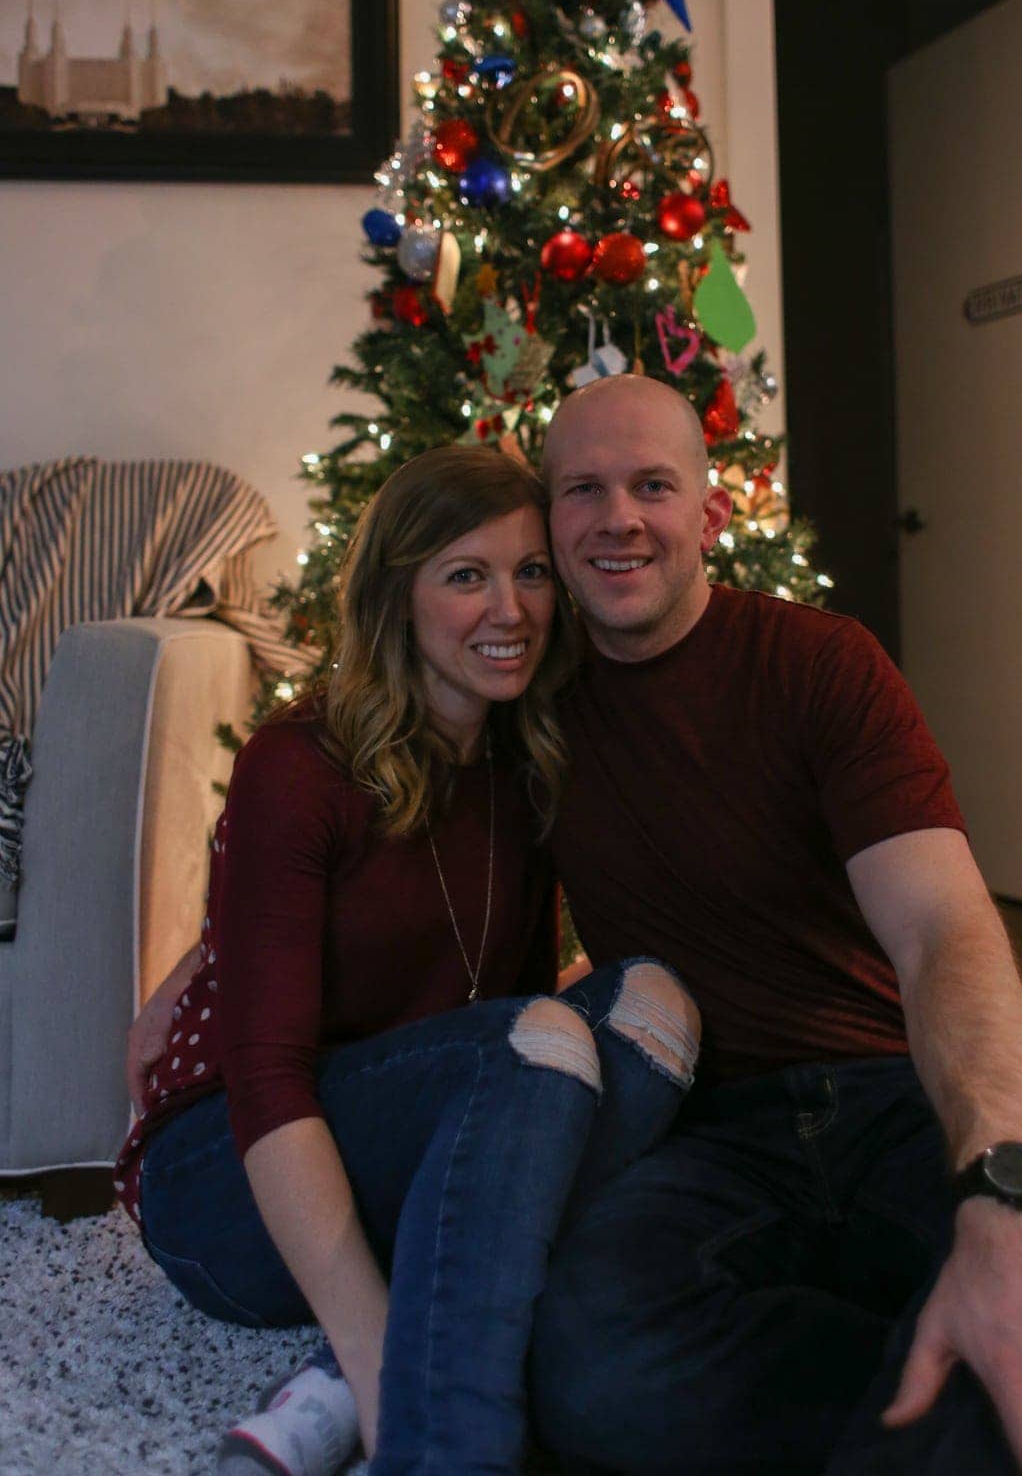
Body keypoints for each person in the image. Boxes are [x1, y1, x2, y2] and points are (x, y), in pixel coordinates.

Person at [135, 378, 1022, 1475]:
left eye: (652, 486)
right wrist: (203, 969)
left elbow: (946, 932)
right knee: (591, 1367)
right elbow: (342, 840)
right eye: (582, 490)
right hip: (702, 1131)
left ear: (711, 515)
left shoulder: (811, 667)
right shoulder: (528, 700)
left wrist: (1004, 1194)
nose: (617, 519)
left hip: (889, 1096)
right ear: (551, 519)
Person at [115, 443, 700, 1476]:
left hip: (410, 1147)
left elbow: (509, 1017)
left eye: (528, 572)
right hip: (227, 1183)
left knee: (653, 1007)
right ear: (400, 597)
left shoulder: (528, 768)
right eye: (465, 575)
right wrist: (376, 1347)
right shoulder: (299, 766)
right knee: (538, 1037)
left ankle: (372, 1366)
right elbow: (266, 1080)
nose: (509, 610)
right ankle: (438, 1433)